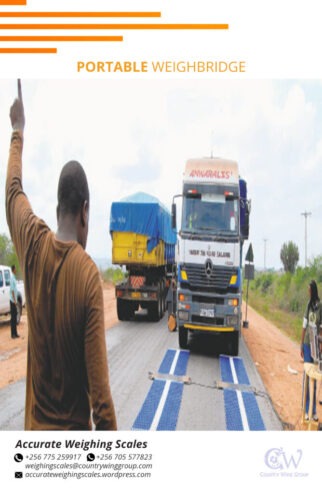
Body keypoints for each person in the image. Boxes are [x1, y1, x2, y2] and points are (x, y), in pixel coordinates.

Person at [6, 86, 117, 431]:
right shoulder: (87, 276)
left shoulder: (33, 245)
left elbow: (12, 189)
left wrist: (17, 131)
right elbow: (100, 401)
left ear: (58, 210)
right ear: (85, 212)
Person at [300, 280, 321, 421]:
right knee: (307, 377)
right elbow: (304, 325)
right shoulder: (308, 305)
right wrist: (301, 344)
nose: (308, 292)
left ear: (313, 291)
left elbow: (320, 329)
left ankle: (313, 411)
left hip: (316, 346)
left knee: (314, 377)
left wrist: (320, 346)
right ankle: (306, 409)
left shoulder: (320, 307)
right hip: (308, 344)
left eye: (309, 290)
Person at [10, 264, 20, 339]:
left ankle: (15, 333)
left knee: (15, 316)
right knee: (13, 318)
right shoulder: (11, 278)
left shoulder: (14, 277)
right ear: (13, 269)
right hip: (13, 301)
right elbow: (12, 290)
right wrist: (15, 300)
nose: (16, 270)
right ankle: (13, 334)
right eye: (15, 269)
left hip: (14, 300)